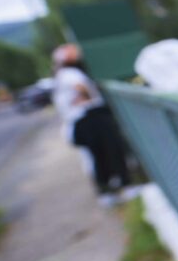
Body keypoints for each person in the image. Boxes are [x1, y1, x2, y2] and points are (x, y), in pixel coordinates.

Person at [51, 44, 135, 207]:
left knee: (98, 156)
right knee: (111, 150)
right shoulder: (70, 73)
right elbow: (80, 87)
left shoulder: (61, 75)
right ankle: (123, 186)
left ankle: (108, 191)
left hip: (82, 119)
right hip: (90, 117)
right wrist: (85, 96)